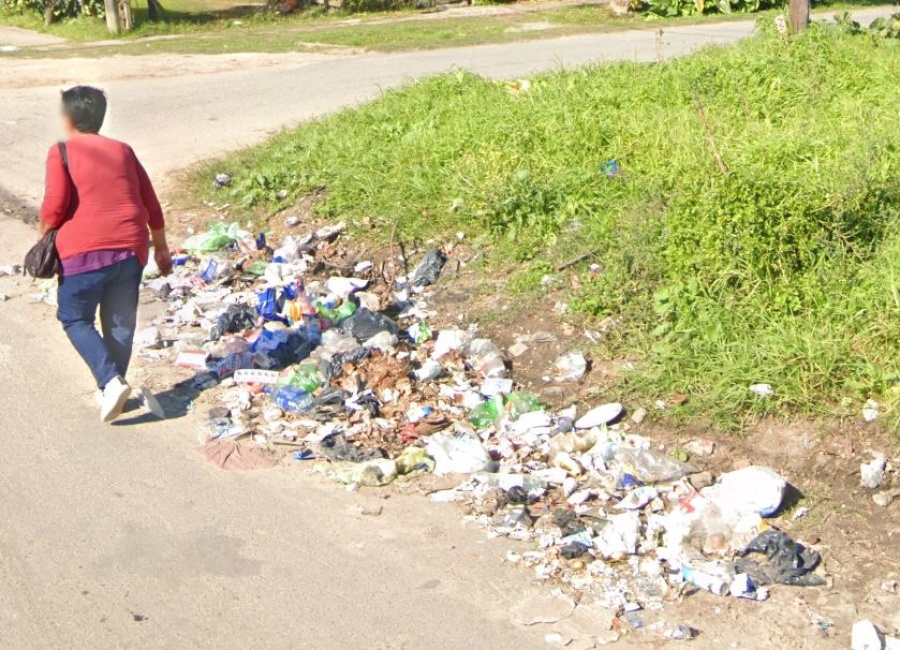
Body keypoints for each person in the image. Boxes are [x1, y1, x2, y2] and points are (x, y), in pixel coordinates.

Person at [39, 86, 173, 423]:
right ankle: (113, 388)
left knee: (74, 318)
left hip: (84, 250)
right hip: (130, 247)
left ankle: (110, 382)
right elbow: (151, 203)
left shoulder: (61, 151)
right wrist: (162, 249)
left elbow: (54, 207)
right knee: (119, 323)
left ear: (68, 118)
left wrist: (42, 238)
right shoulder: (123, 151)